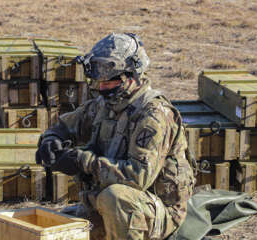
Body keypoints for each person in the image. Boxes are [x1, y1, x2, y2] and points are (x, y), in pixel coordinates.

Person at [36, 33, 195, 240]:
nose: (101, 88)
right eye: (98, 82)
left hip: (156, 210)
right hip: (103, 203)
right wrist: (52, 139)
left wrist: (82, 161)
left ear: (131, 76)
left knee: (115, 197)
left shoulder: (154, 115)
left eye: (109, 82)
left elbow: (137, 177)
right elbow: (68, 124)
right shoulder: (106, 104)